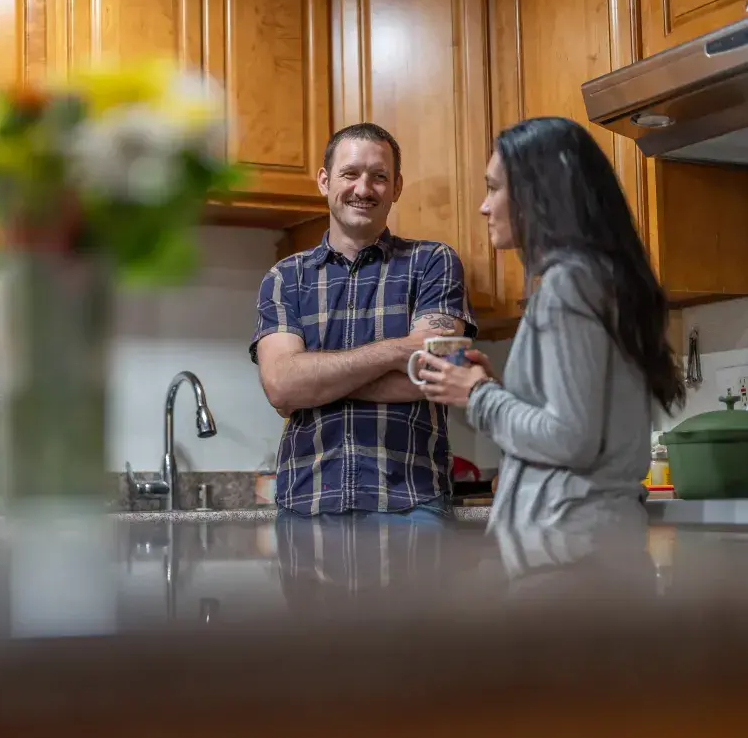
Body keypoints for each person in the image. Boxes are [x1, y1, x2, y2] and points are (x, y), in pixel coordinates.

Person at [416, 117, 683, 592]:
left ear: (537, 194)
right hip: (590, 559)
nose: (483, 206)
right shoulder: (599, 280)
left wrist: (478, 396)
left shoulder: (568, 285)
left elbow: (569, 438)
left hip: (571, 566)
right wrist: (496, 391)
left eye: (494, 188)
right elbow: (577, 424)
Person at [250, 123, 477, 519]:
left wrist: (317, 382)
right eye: (350, 174)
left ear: (397, 187)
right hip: (308, 503)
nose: (363, 188)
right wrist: (399, 350)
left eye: (379, 177)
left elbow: (440, 375)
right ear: (324, 180)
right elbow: (282, 388)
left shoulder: (433, 263)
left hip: (412, 502)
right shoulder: (285, 278)